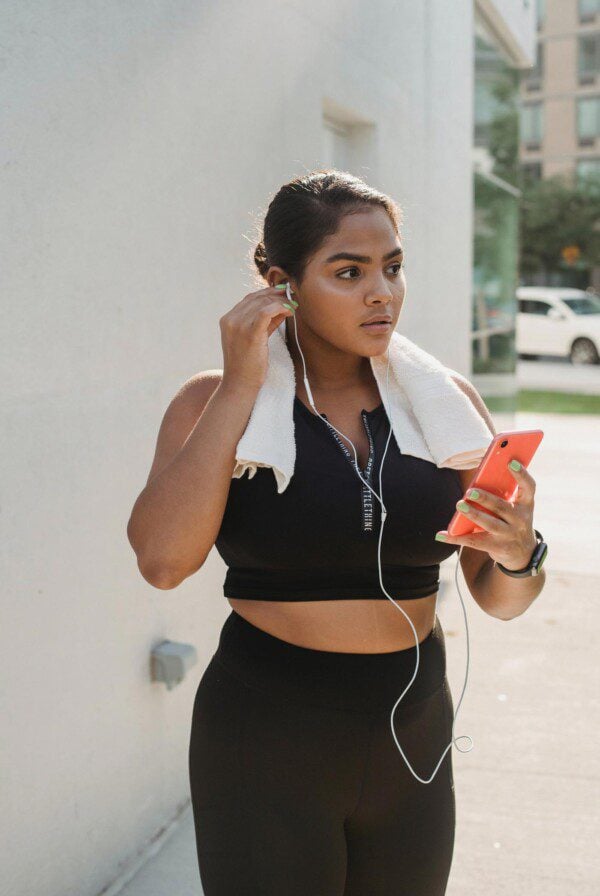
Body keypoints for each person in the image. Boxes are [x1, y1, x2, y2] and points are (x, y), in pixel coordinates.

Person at [127, 170, 543, 895]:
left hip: (412, 732)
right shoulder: (212, 402)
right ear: (282, 284)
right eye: (348, 272)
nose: (382, 292)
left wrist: (518, 554)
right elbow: (163, 562)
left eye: (392, 267)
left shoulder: (445, 407)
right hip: (266, 732)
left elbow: (501, 599)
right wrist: (240, 384)